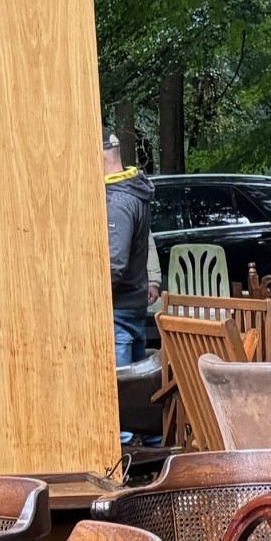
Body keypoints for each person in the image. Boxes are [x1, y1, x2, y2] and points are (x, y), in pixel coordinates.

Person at [104, 133, 155, 366]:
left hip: (119, 310)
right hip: (134, 304)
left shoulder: (117, 202)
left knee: (121, 391)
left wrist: (91, 298)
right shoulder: (135, 191)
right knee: (136, 390)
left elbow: (115, 264)